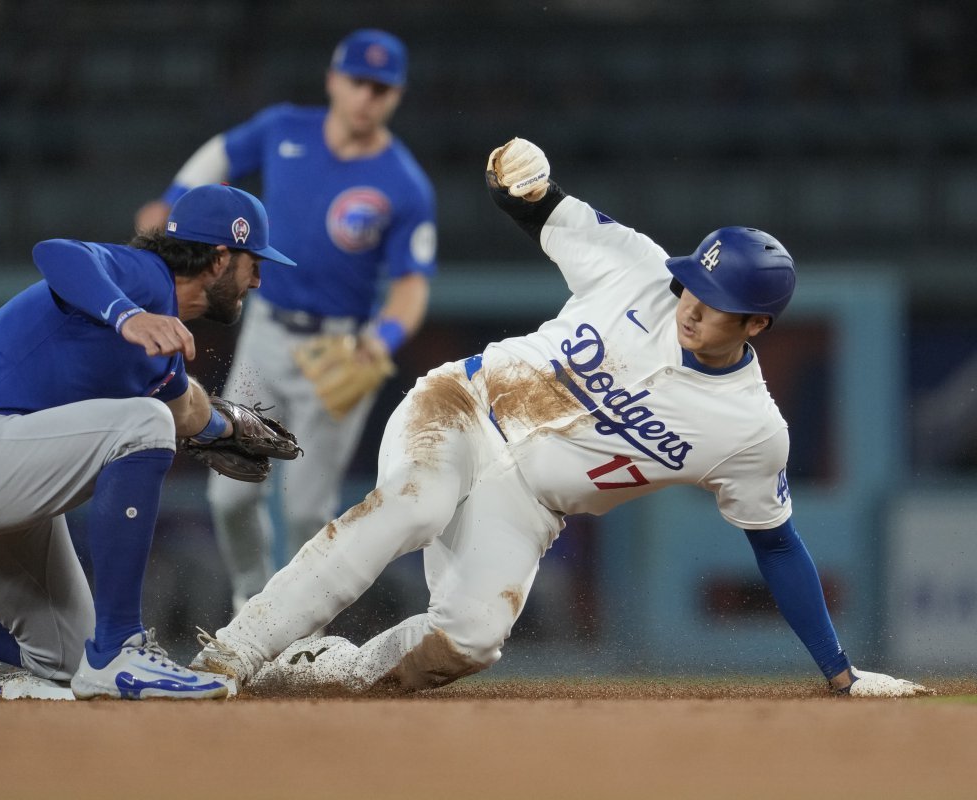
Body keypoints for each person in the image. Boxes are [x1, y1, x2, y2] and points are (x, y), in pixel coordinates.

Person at [188, 138, 930, 699]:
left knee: (472, 639)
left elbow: (778, 546)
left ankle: (331, 673)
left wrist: (839, 673)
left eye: (720, 299)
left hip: (527, 504)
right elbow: (532, 198)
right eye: (696, 282)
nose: (695, 302)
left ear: (758, 326)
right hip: (463, 408)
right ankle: (231, 652)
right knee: (413, 507)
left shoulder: (751, 430)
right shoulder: (637, 267)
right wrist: (518, 170)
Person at [0, 184, 297, 701]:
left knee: (66, 656)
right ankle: (121, 650)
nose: (258, 278)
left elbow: (185, 409)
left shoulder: (160, 346)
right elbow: (58, 254)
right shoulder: (143, 278)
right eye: (252, 262)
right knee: (144, 423)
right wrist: (128, 315)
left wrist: (228, 429)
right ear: (219, 259)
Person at [134, 29, 438, 613]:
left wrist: (384, 337)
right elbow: (222, 154)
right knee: (228, 495)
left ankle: (303, 635)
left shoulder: (404, 184)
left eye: (382, 88)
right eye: (358, 81)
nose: (367, 97)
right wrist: (174, 195)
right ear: (333, 79)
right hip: (267, 335)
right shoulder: (284, 129)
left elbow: (411, 288)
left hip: (340, 348)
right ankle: (254, 604)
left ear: (395, 96)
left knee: (306, 507)